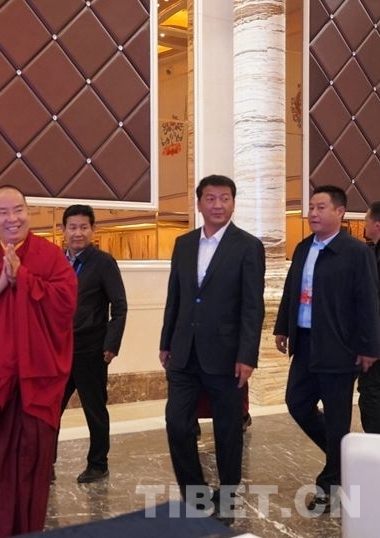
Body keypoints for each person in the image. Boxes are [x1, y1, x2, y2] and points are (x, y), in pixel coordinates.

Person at [0, 185, 77, 537]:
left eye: (19, 209)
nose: (13, 218)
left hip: (35, 380)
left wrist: (23, 277)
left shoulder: (49, 255)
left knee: (32, 463)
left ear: (28, 211)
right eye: (3, 212)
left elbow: (66, 303)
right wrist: (3, 282)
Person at [159, 174, 265, 523]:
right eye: (210, 198)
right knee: (177, 425)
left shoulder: (248, 246)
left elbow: (253, 306)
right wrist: (166, 341)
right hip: (183, 352)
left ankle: (228, 499)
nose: (218, 205)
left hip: (227, 354)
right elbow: (175, 297)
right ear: (199, 203)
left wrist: (247, 355)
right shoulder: (184, 243)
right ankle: (196, 496)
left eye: (224, 198)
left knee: (228, 432)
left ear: (233, 203)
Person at [275, 185, 380, 513]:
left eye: (321, 207)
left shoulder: (356, 252)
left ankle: (330, 483)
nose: (313, 213)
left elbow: (368, 302)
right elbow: (291, 289)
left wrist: (370, 346)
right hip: (305, 342)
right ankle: (344, 460)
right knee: (297, 403)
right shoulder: (304, 247)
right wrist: (282, 326)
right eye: (311, 207)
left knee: (337, 419)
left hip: (340, 346)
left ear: (339, 212)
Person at [55, 204, 127, 483]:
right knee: (49, 410)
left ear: (93, 229)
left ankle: (98, 464)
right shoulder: (56, 262)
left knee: (94, 410)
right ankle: (45, 463)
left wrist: (111, 344)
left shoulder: (103, 262)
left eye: (84, 227)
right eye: (72, 227)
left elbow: (119, 307)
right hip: (59, 350)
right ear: (63, 230)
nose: (78, 233)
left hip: (91, 350)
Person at [360, 201, 380, 433]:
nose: (364, 224)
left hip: (375, 339)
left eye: (366, 220)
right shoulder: (370, 253)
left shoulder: (370, 257)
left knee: (370, 391)